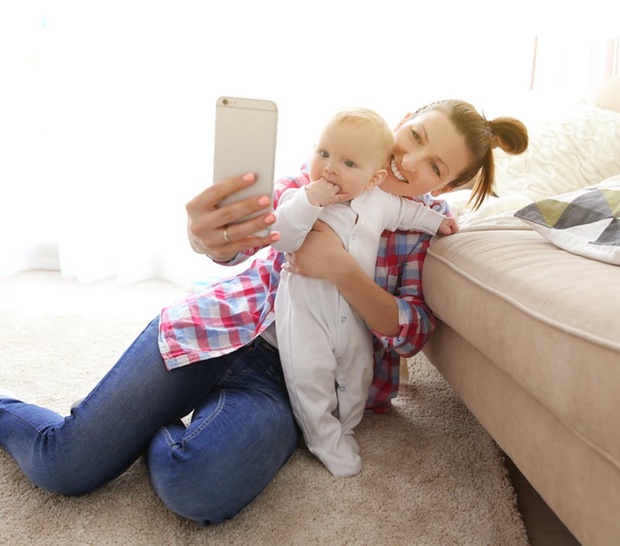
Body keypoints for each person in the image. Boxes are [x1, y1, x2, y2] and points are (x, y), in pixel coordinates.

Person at [0, 99, 528, 526]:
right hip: (220, 326)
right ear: (403, 120)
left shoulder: (427, 227)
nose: (411, 161)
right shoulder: (334, 168)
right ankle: (112, 418)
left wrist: (341, 270)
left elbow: (410, 334)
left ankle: (146, 424)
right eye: (415, 137)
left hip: (288, 383)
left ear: (447, 187)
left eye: (435, 166)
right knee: (64, 465)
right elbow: (250, 235)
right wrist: (210, 238)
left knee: (193, 485)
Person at [271, 107, 457, 477]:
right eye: (323, 153)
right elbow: (282, 238)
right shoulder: (302, 199)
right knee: (309, 376)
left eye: (348, 163)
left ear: (374, 178)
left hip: (353, 316)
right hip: (305, 313)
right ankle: (324, 439)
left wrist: (439, 223)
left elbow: (411, 215)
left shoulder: (380, 202)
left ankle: (347, 425)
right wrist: (310, 200)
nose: (330, 169)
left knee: (359, 370)